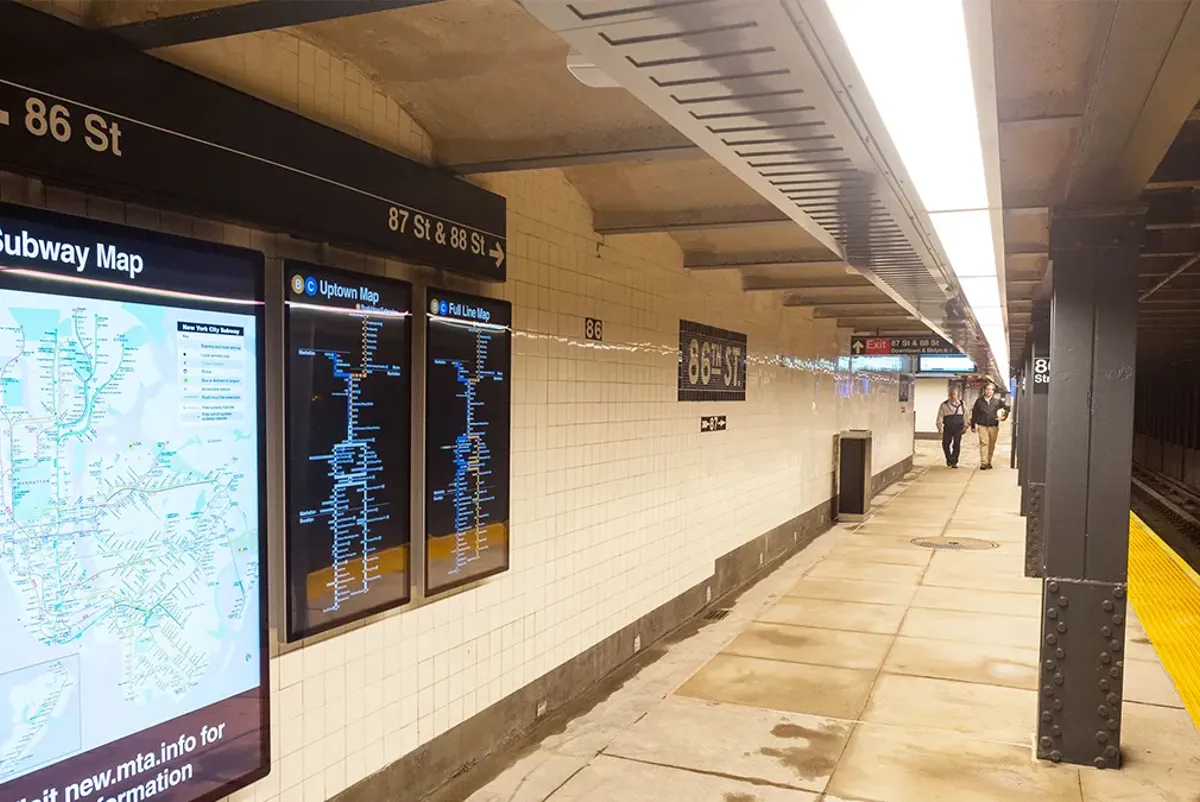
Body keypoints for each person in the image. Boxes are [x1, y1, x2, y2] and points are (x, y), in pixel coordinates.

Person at [970, 382, 1010, 470]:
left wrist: (1003, 416)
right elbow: (974, 413)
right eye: (987, 389)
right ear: (984, 390)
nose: (988, 391)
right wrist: (973, 425)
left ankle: (988, 461)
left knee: (991, 444)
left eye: (990, 389)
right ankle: (984, 462)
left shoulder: (997, 401)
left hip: (993, 426)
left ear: (993, 391)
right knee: (984, 443)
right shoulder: (979, 401)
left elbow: (1007, 408)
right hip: (982, 425)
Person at [936, 388, 966, 468]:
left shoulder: (962, 404)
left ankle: (954, 461)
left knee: (956, 444)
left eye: (954, 394)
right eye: (951, 394)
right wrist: (939, 426)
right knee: (945, 443)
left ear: (957, 395)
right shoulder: (944, 405)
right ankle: (949, 458)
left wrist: (966, 426)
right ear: (949, 395)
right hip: (948, 427)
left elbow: (965, 415)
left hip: (958, 427)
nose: (953, 396)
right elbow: (940, 416)